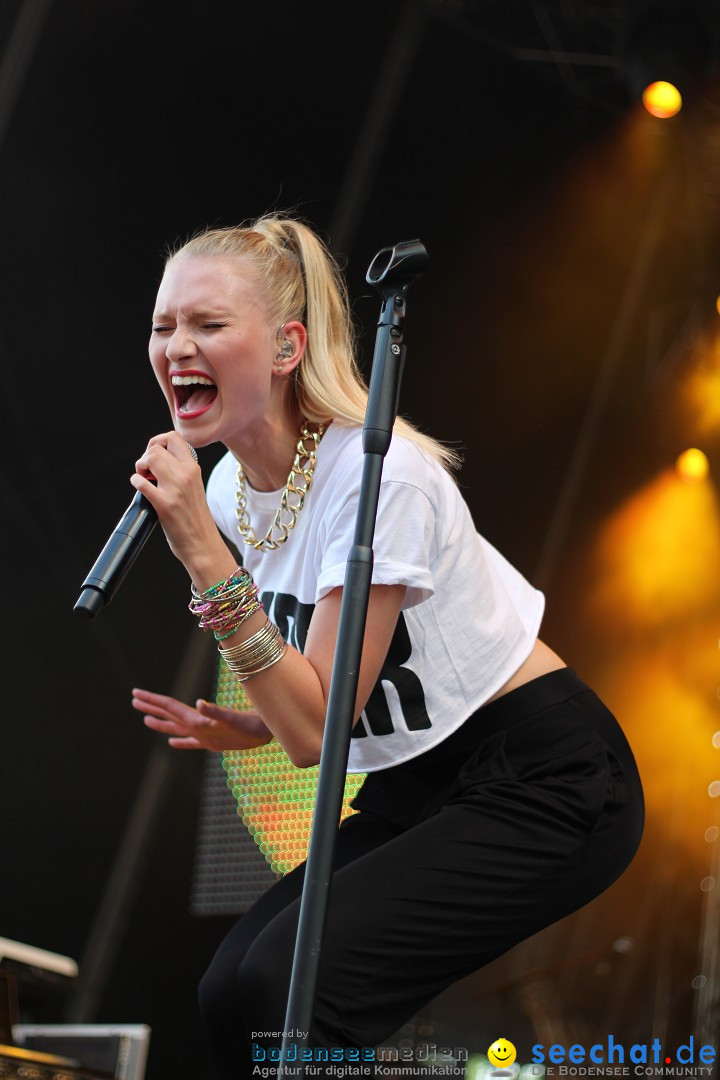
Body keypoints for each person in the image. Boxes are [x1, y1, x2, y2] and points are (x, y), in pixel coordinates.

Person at [130, 215, 644, 1079]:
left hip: (543, 776)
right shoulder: (228, 486)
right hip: (417, 780)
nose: (178, 345)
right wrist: (252, 722)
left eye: (208, 324)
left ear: (288, 345)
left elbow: (317, 728)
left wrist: (205, 559)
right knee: (234, 994)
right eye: (163, 325)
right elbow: (321, 688)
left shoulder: (381, 477)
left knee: (295, 993)